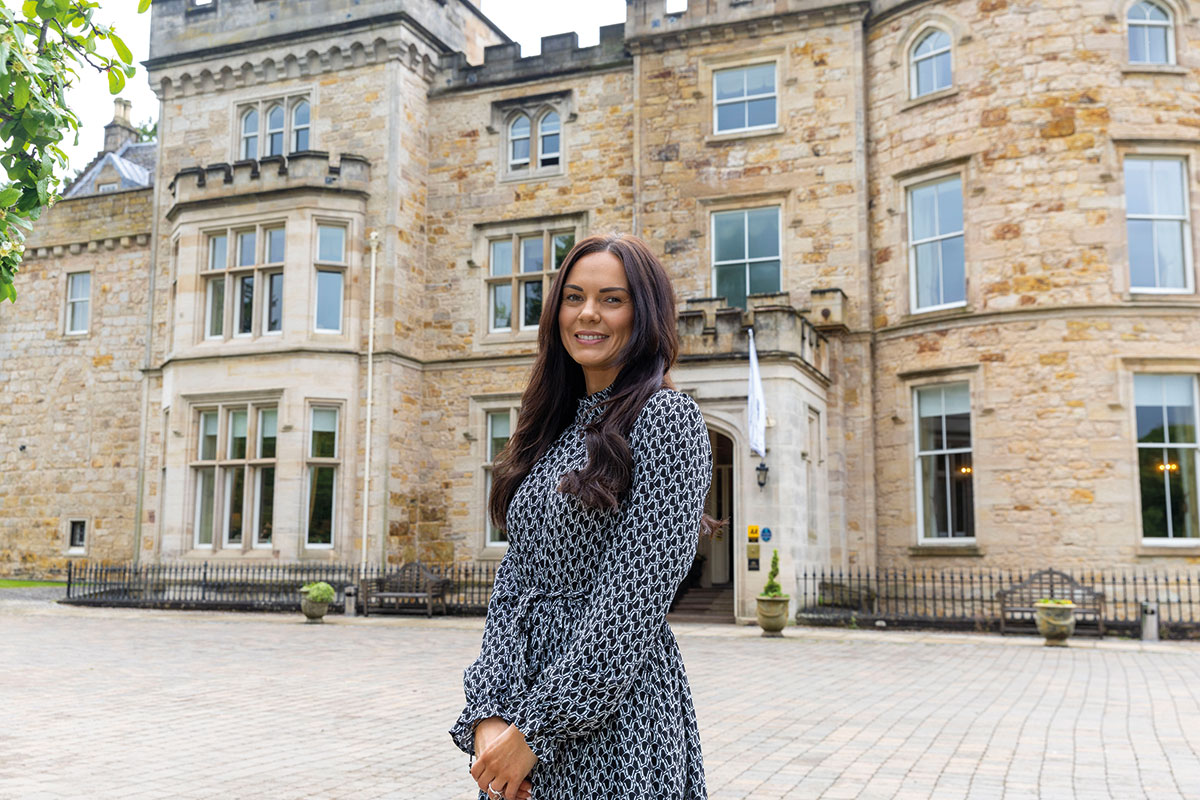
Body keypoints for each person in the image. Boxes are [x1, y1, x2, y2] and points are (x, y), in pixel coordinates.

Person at [448, 232, 724, 799]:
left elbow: (632, 601)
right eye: (573, 298)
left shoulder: (668, 420)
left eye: (611, 299)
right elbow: (515, 586)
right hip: (520, 717)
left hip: (614, 718)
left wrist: (536, 729)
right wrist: (490, 717)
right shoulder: (551, 427)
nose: (588, 313)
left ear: (643, 313)